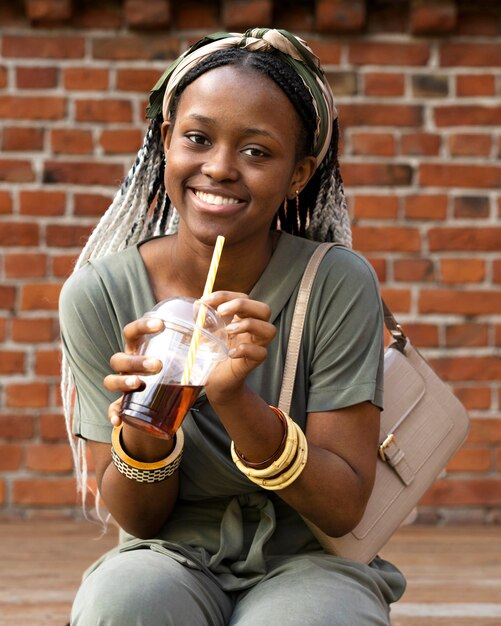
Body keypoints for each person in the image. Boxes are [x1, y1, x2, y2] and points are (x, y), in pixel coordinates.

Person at [59, 28, 406, 625]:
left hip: (312, 558)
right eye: (197, 139)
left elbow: (344, 506)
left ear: (299, 174)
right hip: (166, 552)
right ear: (167, 141)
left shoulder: (336, 283)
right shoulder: (100, 295)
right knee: (121, 602)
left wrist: (233, 398)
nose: (219, 168)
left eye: (256, 152)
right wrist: (148, 419)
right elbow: (136, 521)